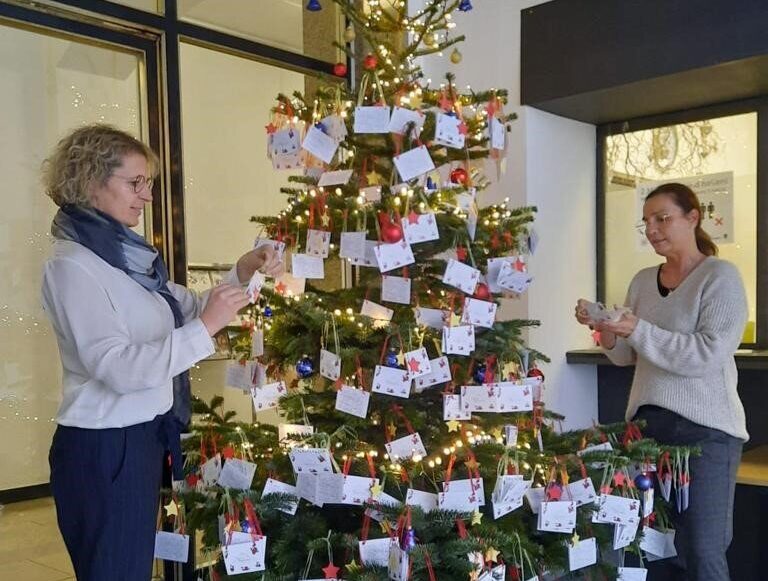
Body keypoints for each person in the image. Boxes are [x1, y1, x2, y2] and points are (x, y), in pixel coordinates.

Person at [41, 124, 283, 580]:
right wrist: (207, 326)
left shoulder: (125, 259)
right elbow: (118, 368)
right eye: (136, 183)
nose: (147, 197)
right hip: (106, 444)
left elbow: (188, 306)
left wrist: (241, 271)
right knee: (116, 571)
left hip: (145, 436)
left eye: (147, 184)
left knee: (132, 566)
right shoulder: (73, 266)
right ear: (91, 182)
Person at [575, 182, 747, 581]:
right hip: (647, 432)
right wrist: (606, 329)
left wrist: (636, 328)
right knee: (652, 546)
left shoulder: (720, 277)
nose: (652, 229)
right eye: (646, 222)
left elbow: (705, 354)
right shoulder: (641, 280)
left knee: (703, 551)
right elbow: (625, 357)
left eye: (662, 218)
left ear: (693, 218)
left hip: (707, 433)